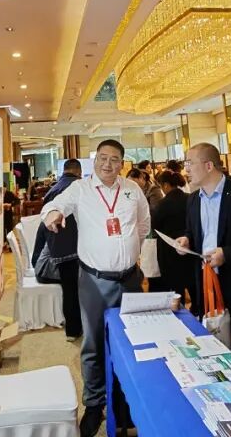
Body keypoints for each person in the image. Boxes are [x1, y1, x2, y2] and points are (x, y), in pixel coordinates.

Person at [41, 140, 151, 437]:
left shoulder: (132, 190)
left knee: (131, 342)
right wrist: (52, 214)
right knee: (94, 344)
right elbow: (55, 205)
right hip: (94, 280)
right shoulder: (81, 189)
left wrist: (128, 251)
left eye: (114, 159)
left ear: (122, 163)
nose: (107, 164)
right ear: (95, 160)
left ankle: (124, 403)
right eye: (102, 158)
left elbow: (143, 225)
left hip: (129, 279)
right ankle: (94, 403)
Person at [174, 143, 231, 359]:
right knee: (217, 350)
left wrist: (226, 253)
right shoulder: (193, 200)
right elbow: (192, 232)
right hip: (207, 284)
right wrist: (186, 240)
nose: (186, 169)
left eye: (190, 163)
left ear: (209, 165)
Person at [34, 159, 83, 341]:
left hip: (59, 249)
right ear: (79, 172)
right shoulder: (80, 188)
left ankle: (72, 331)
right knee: (84, 289)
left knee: (69, 290)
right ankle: (87, 325)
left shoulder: (51, 191)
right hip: (79, 247)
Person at [148, 169, 192, 301]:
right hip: (189, 245)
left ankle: (179, 307)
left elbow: (154, 225)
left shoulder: (163, 204)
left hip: (169, 248)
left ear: (166, 185)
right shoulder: (190, 198)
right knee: (192, 283)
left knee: (175, 285)